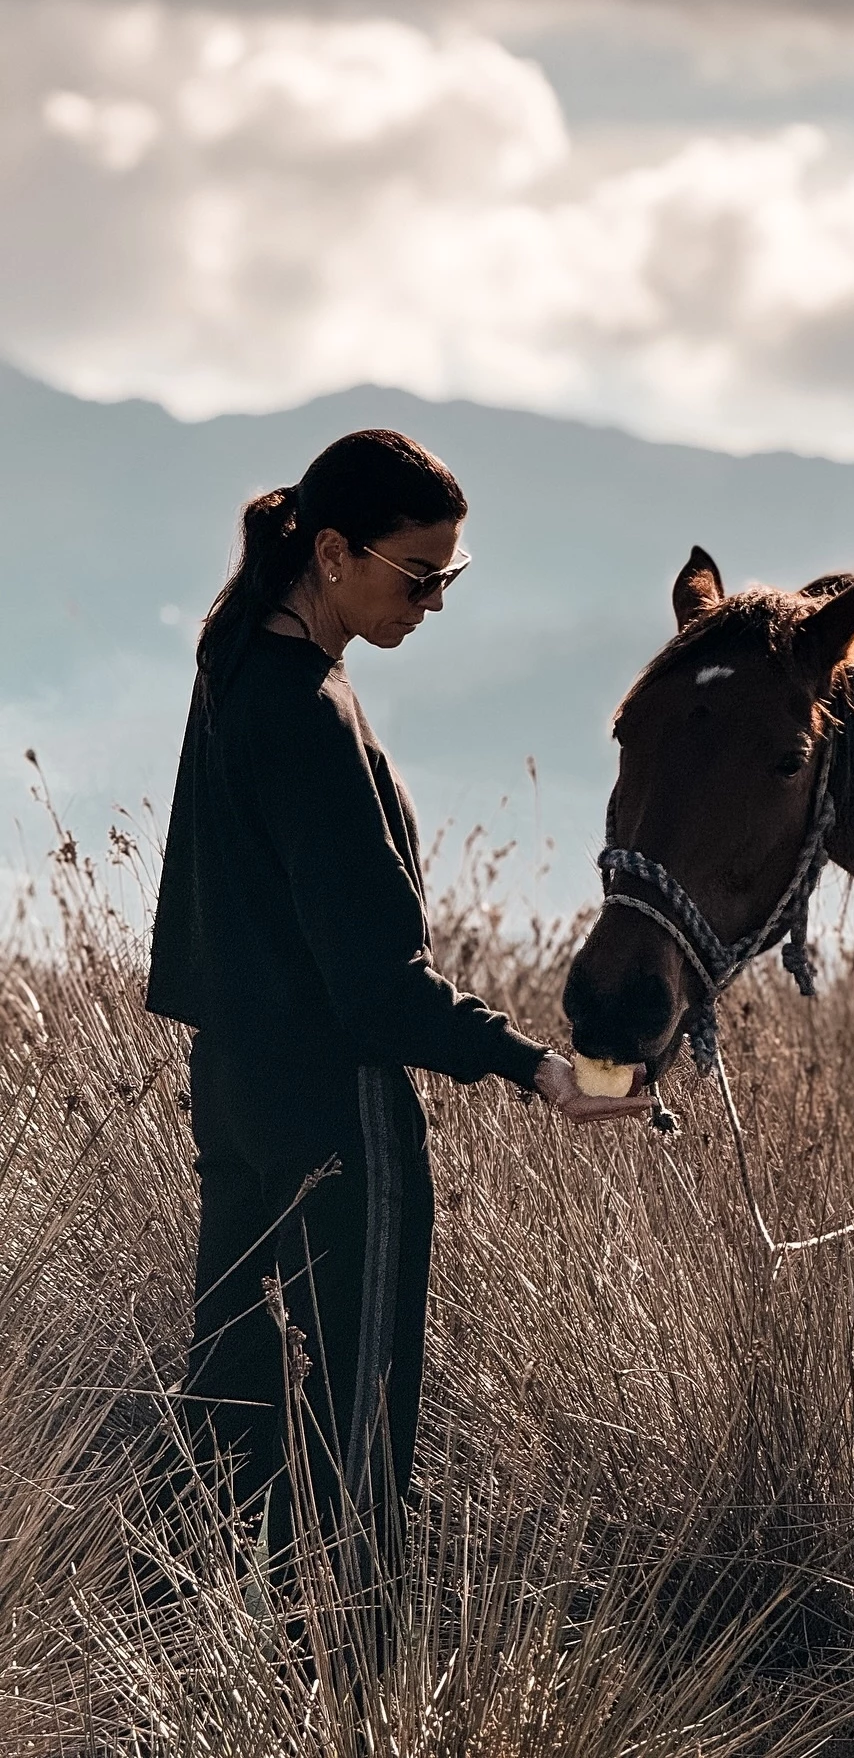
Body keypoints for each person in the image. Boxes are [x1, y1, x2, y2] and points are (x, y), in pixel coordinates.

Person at [146, 427, 644, 1577]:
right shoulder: (307, 711)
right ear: (331, 551)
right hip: (335, 1115)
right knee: (350, 1453)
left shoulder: (233, 666)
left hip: (233, 1097)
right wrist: (540, 1070)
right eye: (417, 576)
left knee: (230, 1423)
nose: (433, 602)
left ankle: (199, 1681)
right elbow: (376, 989)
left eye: (449, 578)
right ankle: (353, 1702)